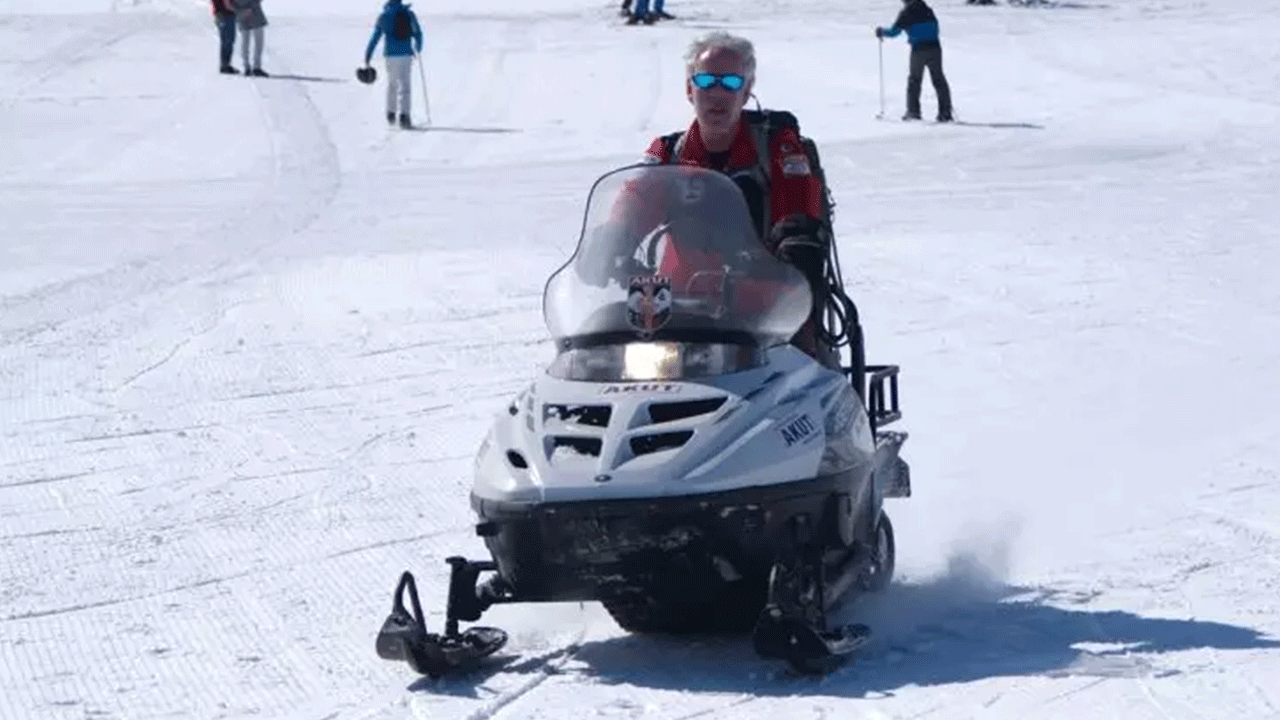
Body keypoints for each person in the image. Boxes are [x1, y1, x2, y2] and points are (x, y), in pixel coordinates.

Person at [630, 32, 841, 367]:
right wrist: (611, 243)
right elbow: (631, 209)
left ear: (747, 89)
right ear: (689, 89)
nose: (717, 94)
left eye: (730, 82)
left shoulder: (776, 145)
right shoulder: (668, 153)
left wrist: (797, 244)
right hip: (679, 315)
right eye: (706, 80)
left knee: (810, 381)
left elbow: (797, 203)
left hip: (766, 316)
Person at [876, 0, 953, 122]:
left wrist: (882, 32)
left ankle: (913, 112)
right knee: (939, 80)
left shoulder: (906, 13)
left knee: (915, 81)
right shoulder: (927, 9)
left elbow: (894, 32)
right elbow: (936, 28)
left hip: (918, 50)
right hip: (935, 48)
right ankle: (945, 112)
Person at [364, 0, 424, 128]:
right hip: (406, 54)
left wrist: (367, 56)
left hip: (390, 55)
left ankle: (391, 114)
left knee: (392, 85)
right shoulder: (409, 14)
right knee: (405, 85)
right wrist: (418, 47)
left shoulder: (383, 16)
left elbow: (375, 37)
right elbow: (418, 33)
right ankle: (404, 117)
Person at [232, 0, 269, 77]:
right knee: (246, 42)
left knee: (256, 42)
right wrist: (241, 11)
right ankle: (248, 67)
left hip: (254, 13)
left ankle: (255, 67)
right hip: (244, 14)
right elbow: (230, 3)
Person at [211, 0, 238, 74]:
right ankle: (225, 65)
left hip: (220, 14)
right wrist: (236, 9)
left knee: (225, 40)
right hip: (226, 14)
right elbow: (227, 3)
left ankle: (225, 64)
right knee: (228, 40)